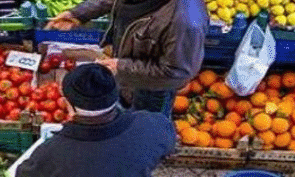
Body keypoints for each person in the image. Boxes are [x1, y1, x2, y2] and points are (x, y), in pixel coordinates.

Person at [47, 0, 209, 116]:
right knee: (125, 106)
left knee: (147, 121)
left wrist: (121, 66)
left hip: (153, 85)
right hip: (133, 64)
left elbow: (177, 72)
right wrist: (79, 14)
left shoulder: (184, 23)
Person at [15, 63, 176, 177]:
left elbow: (22, 173)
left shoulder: (49, 154)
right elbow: (167, 143)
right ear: (116, 95)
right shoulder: (153, 126)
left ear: (67, 104)